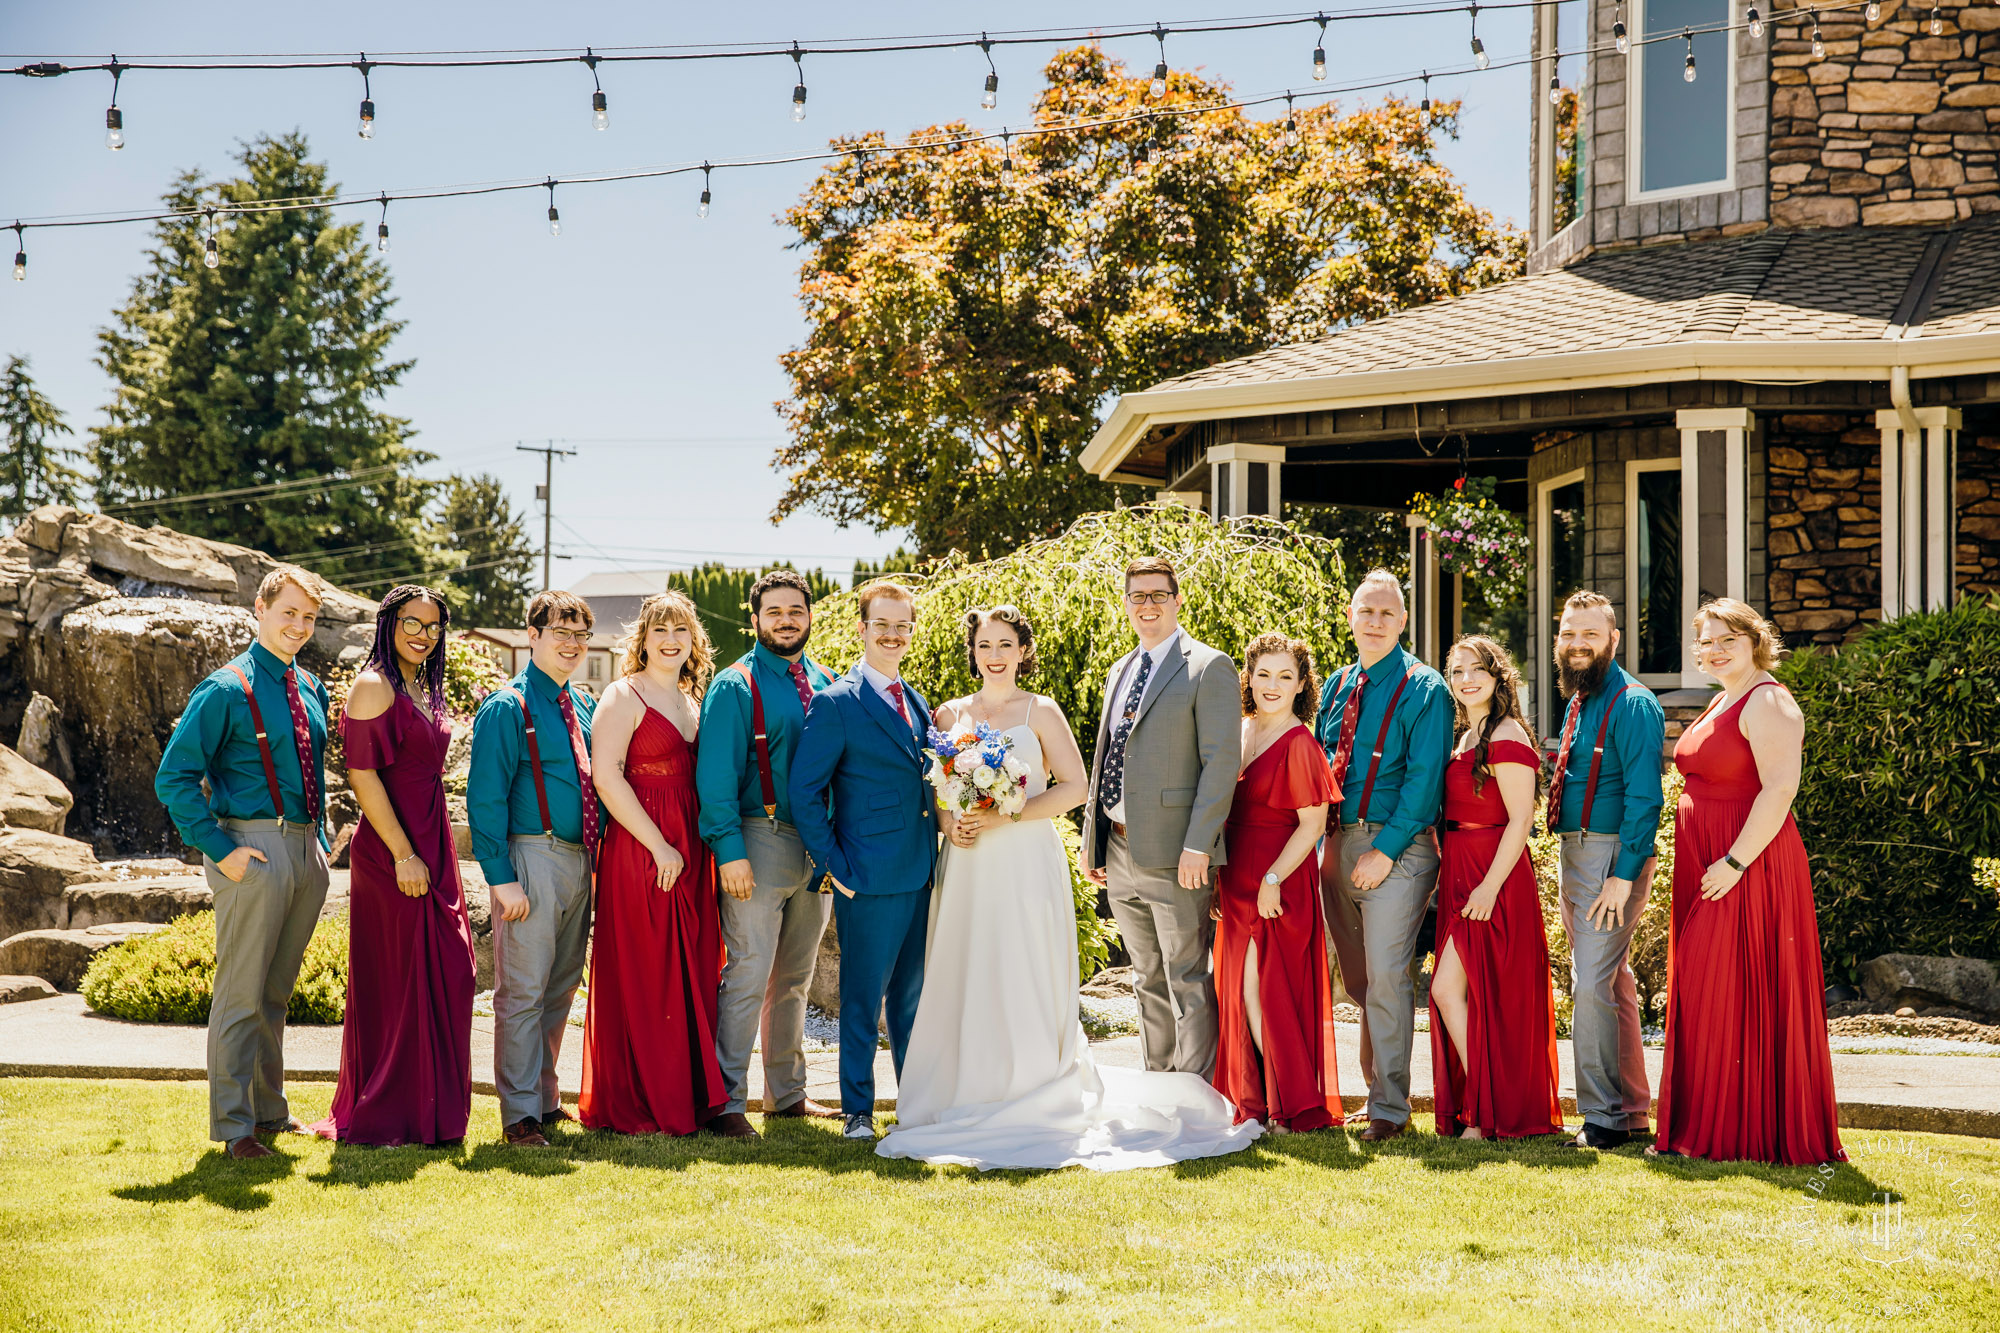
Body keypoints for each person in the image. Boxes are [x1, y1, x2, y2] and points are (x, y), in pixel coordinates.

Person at [880, 608, 1261, 1170]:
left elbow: (1077, 788)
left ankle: (1035, 1082)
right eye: (985, 644)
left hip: (1025, 857)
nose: (994, 654)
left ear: (1021, 650)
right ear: (974, 650)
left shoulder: (1041, 710)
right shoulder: (950, 712)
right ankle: (966, 1086)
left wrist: (1006, 817)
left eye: (1005, 644)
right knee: (968, 965)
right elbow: (939, 791)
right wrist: (951, 824)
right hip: (967, 864)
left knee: (1023, 966)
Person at [1651, 599, 1844, 1165]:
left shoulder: (1769, 701)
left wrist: (1733, 864)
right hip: (1708, 859)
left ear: (1755, 640)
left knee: (1729, 986)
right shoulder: (1723, 697)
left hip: (1748, 864)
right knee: (1715, 990)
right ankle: (1706, 1129)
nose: (1713, 650)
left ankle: (1740, 1132)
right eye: (1704, 641)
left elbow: (1780, 789)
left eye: (1725, 640)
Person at [155, 566, 333, 1161]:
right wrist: (221, 850)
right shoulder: (225, 689)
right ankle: (235, 1127)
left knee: (276, 992)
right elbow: (174, 779)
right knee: (241, 994)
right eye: (289, 613)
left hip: (306, 853)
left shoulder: (311, 687)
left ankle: (269, 1110)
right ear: (260, 608)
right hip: (250, 850)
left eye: (309, 618)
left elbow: (313, 772)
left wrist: (322, 839)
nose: (299, 627)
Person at [310, 585, 477, 1148]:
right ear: (389, 623)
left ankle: (430, 1112)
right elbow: (362, 776)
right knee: (403, 982)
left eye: (433, 626)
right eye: (412, 622)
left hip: (432, 843)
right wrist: (405, 854)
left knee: (448, 973)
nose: (423, 635)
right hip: (394, 852)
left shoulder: (420, 685)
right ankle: (391, 1113)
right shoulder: (374, 685)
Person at [1078, 556, 1242, 1082]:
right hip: (1119, 850)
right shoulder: (1119, 670)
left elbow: (1221, 762)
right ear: (1126, 604)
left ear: (1177, 600)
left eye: (1158, 595)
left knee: (1187, 975)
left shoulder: (1208, 665)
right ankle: (1159, 1083)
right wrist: (1092, 839)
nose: (1147, 605)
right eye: (1137, 596)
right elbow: (1105, 757)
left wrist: (1199, 843)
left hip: (1178, 853)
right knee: (1145, 975)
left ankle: (1196, 1094)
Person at [788, 581, 938, 1142]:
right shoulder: (836, 702)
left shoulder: (917, 700)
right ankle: (856, 1111)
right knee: (859, 999)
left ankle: (915, 1103)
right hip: (866, 877)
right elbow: (805, 792)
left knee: (909, 998)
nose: (893, 635)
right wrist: (836, 866)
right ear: (862, 629)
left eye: (902, 626)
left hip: (921, 872)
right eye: (883, 625)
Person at [696, 570, 840, 1137]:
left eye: (796, 611)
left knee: (795, 979)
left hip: (817, 849)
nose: (786, 620)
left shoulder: (827, 680)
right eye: (774, 611)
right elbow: (715, 778)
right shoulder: (735, 685)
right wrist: (729, 851)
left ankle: (788, 1097)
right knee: (749, 972)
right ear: (754, 618)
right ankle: (726, 1103)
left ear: (809, 615)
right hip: (759, 839)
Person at [580, 591, 729, 1137]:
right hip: (644, 849)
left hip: (693, 845)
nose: (671, 641)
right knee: (650, 970)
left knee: (692, 964)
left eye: (681, 632)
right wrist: (659, 846)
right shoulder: (623, 695)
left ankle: (690, 1095)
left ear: (694, 642)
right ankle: (644, 1097)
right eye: (660, 631)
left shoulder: (696, 700)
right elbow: (607, 776)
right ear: (641, 640)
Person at [1314, 569, 1450, 1143]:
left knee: (1391, 979)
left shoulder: (1427, 688)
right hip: (1335, 843)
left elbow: (1424, 784)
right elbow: (1320, 760)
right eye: (1366, 611)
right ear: (1350, 616)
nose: (1374, 622)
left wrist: (1384, 852)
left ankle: (1390, 1111)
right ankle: (1376, 1093)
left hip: (1397, 846)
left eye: (1386, 613)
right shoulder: (1338, 684)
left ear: (1403, 621)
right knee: (1362, 981)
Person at [467, 589, 600, 1148]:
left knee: (562, 986)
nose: (571, 644)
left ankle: (544, 1098)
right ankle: (518, 1114)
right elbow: (485, 799)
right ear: (534, 635)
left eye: (580, 635)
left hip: (580, 861)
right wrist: (501, 879)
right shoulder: (507, 707)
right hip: (531, 858)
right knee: (521, 991)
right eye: (561, 633)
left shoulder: (585, 705)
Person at [1428, 636, 1563, 1141]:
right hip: (1461, 866)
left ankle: (1489, 1113)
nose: (1466, 679)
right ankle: (1486, 1109)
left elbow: (1521, 819)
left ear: (1498, 675)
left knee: (1453, 990)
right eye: (1457, 670)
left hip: (1494, 875)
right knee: (1465, 992)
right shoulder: (1465, 736)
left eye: (1477, 669)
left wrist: (1487, 888)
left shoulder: (1507, 734)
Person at [1547, 590, 1666, 1151]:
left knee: (1590, 985)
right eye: (1570, 633)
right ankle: (1631, 1112)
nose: (1577, 644)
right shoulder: (1578, 702)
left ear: (1613, 640)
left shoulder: (1633, 703)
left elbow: (1645, 799)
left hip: (1611, 858)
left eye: (1589, 634)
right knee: (1611, 984)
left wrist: (1622, 875)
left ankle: (1601, 1120)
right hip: (1577, 852)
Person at [1209, 633, 1341, 1135]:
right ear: (1248, 677)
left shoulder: (1300, 743)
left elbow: (1312, 825)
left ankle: (1292, 1105)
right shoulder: (1238, 732)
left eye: (1286, 676)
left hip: (1277, 881)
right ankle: (1255, 1101)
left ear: (1302, 684)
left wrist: (1271, 878)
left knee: (1262, 993)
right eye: (1263, 673)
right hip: (1236, 875)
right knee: (1236, 993)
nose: (1272, 685)